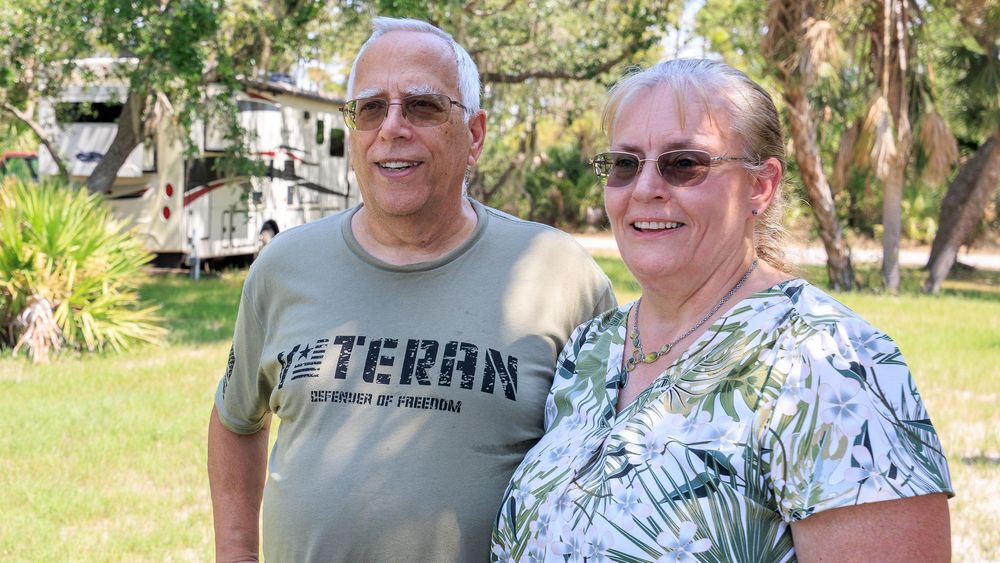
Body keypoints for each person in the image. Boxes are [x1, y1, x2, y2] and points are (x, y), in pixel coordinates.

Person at [492, 59, 953, 562]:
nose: (645, 188)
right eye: (625, 163)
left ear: (761, 185)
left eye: (684, 163)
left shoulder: (831, 363)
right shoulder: (591, 347)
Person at [207, 17, 616, 562]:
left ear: (474, 135)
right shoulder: (285, 266)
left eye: (422, 107)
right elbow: (236, 419)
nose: (392, 128)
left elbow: (615, 470)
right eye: (371, 108)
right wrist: (236, 552)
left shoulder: (559, 275)